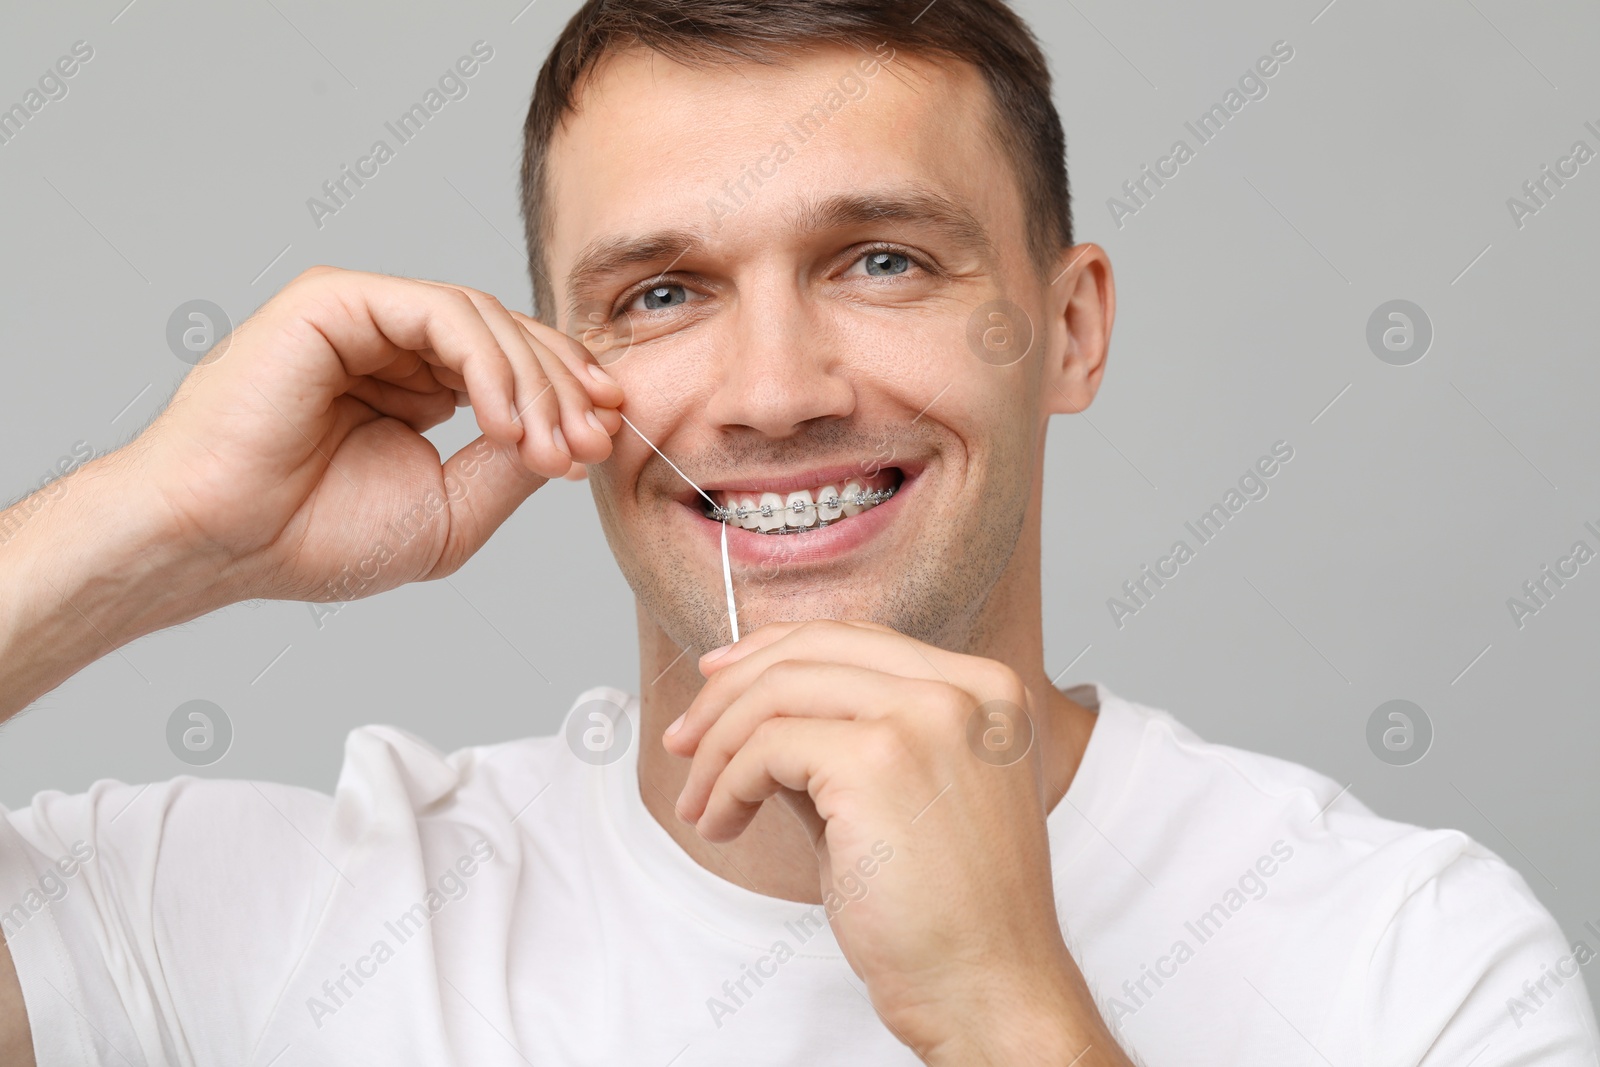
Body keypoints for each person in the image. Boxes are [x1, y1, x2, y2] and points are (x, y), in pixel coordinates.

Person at [0, 0, 1593, 1063]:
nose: (770, 395)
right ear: (555, 359)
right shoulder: (258, 922)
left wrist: (1005, 1011)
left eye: (883, 261)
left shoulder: (1412, 963)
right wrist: (159, 528)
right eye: (663, 296)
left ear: (1072, 327)